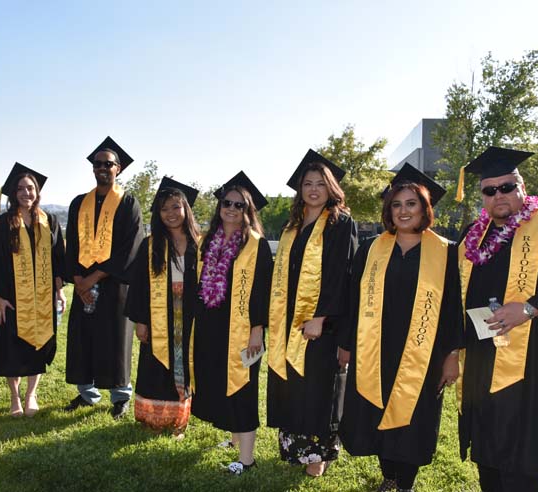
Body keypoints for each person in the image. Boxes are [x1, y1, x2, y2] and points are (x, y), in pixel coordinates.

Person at [456, 146, 538, 492]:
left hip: (532, 361)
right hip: (482, 357)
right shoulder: (473, 237)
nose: (499, 195)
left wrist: (529, 308)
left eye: (507, 187)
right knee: (487, 444)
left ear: (522, 187)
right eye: (490, 190)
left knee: (522, 446)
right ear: (482, 196)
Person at [339, 164, 464, 492]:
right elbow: (353, 300)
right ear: (388, 210)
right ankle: (389, 476)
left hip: (423, 351)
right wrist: (346, 343)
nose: (404, 210)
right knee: (377, 409)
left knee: (413, 415)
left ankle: (405, 482)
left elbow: (453, 308)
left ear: (425, 209)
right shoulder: (371, 249)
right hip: (376, 348)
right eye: (397, 204)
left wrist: (452, 355)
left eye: (412, 203)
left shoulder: (447, 252)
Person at [266, 150, 357, 477]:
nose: (314, 189)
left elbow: (340, 275)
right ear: (300, 189)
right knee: (293, 384)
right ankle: (295, 449)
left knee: (317, 387)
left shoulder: (340, 222)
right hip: (288, 320)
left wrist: (322, 316)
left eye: (321, 183)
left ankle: (318, 455)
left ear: (331, 187)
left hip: (321, 325)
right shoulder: (294, 224)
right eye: (308, 183)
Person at [192, 171, 273, 474]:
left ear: (248, 210)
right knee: (219, 383)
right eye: (227, 202)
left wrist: (256, 332)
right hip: (212, 327)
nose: (231, 208)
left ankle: (247, 460)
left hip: (242, 330)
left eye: (239, 205)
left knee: (243, 389)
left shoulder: (257, 246)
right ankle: (235, 439)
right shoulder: (207, 242)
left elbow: (262, 294)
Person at [63, 136, 144, 419]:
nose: (102, 168)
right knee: (83, 339)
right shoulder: (78, 204)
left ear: (118, 168)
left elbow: (129, 248)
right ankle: (87, 393)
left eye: (108, 164)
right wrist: (79, 280)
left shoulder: (129, 204)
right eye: (97, 164)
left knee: (116, 340)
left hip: (114, 286)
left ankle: (120, 396)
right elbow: (71, 244)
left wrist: (92, 279)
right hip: (83, 285)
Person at [0, 163, 66, 417]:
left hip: (42, 296)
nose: (26, 193)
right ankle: (14, 397)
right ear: (13, 194)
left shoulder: (49, 220)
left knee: (37, 348)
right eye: (20, 189)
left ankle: (31, 395)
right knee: (11, 349)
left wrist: (58, 291)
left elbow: (58, 258)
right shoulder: (1, 223)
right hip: (11, 297)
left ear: (37, 191)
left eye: (30, 188)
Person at [125, 177, 200, 435]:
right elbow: (139, 287)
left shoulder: (200, 244)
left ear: (186, 209)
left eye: (175, 207)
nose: (170, 214)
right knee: (156, 364)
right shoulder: (150, 245)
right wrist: (141, 322)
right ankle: (154, 419)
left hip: (189, 315)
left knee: (183, 364)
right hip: (159, 314)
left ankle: (179, 419)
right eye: (164, 208)